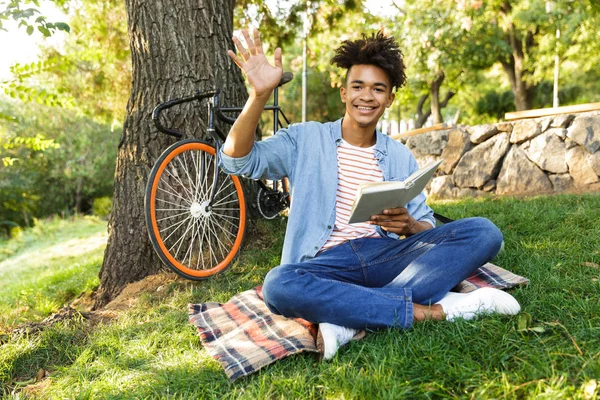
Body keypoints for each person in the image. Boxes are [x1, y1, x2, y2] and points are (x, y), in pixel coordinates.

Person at [221, 29, 520, 360]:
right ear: (343, 93)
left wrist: (409, 226)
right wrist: (259, 96)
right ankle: (432, 310)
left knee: (483, 231)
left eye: (378, 89)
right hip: (325, 263)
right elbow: (236, 159)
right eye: (358, 86)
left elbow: (426, 226)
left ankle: (346, 316)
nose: (367, 96)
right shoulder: (306, 138)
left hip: (387, 257)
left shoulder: (399, 156)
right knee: (278, 285)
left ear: (389, 98)